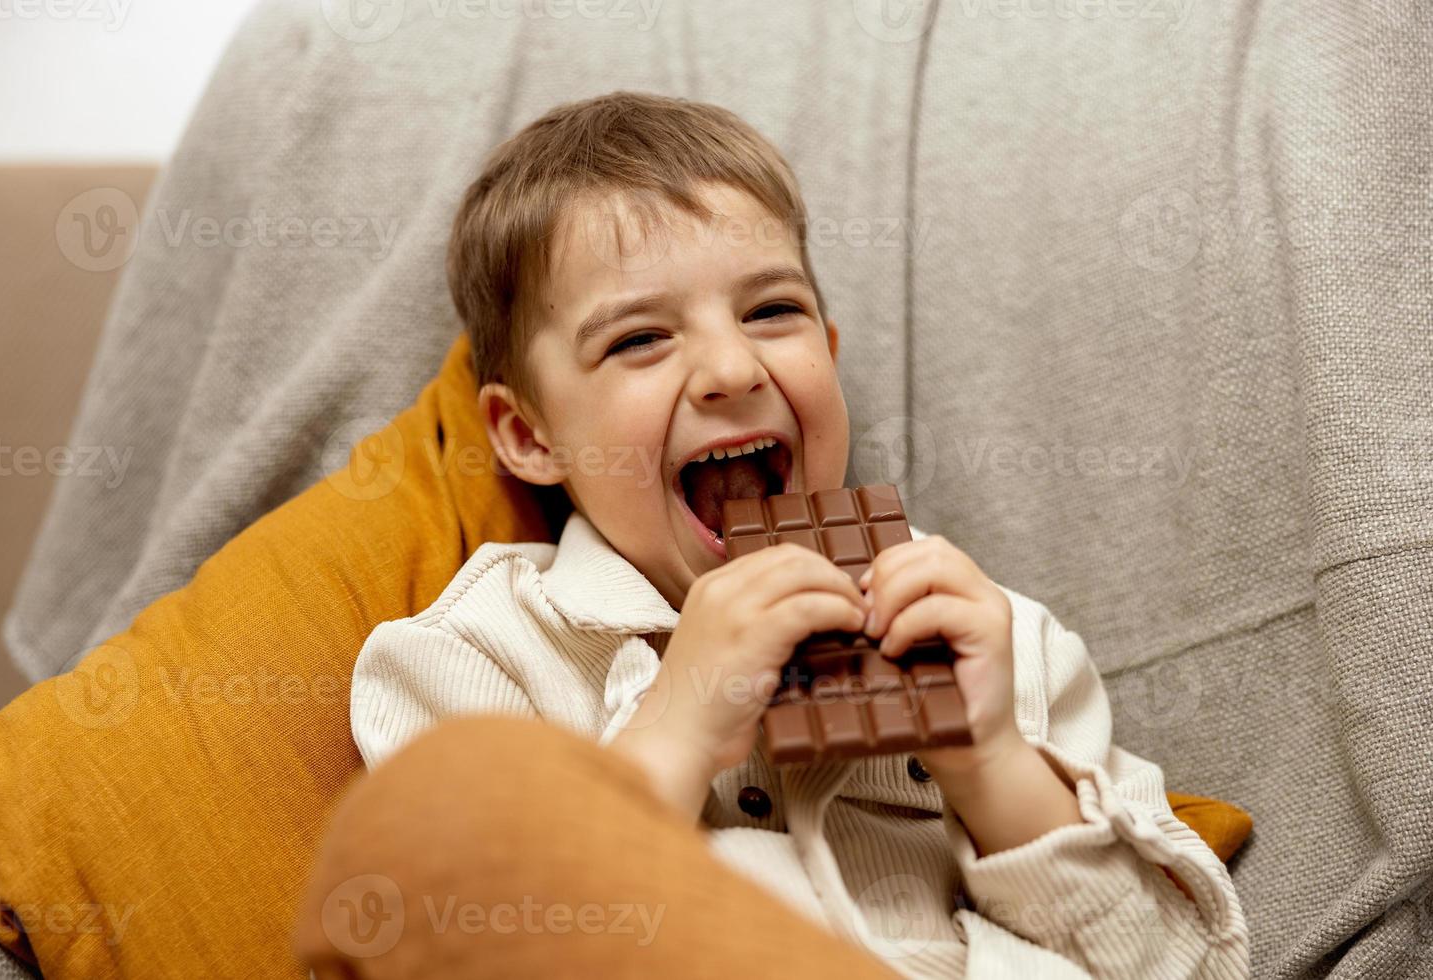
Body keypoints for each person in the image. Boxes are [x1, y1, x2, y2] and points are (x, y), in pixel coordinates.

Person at [298, 91, 1248, 978]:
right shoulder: (473, 658)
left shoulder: (996, 640)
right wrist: (677, 726)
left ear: (828, 358)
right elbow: (471, 934)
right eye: (638, 339)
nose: (729, 365)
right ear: (528, 436)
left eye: (771, 311)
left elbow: (1181, 961)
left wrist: (994, 763)